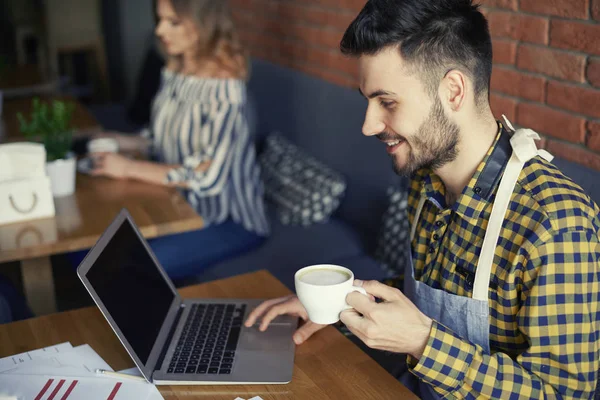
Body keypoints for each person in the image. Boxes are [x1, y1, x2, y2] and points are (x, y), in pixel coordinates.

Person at [244, 0, 600, 398]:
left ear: (452, 91)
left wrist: (424, 343)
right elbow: (428, 298)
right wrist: (338, 305)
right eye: (367, 101)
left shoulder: (556, 222)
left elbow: (565, 395)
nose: (368, 125)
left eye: (387, 102)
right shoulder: (424, 179)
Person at [87, 0, 269, 280]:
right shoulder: (174, 69)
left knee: (130, 267)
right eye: (160, 19)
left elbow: (207, 177)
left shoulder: (226, 89)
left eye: (173, 22)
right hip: (175, 202)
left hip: (229, 220)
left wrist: (126, 168)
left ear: (203, 23)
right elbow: (162, 138)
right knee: (95, 246)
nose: (160, 29)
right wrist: (121, 141)